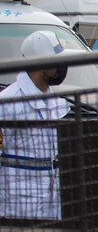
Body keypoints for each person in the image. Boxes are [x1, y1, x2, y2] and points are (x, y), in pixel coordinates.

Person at [0, 30, 70, 219]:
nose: (63, 67)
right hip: (17, 210)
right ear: (40, 64)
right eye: (57, 62)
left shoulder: (57, 101)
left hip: (53, 204)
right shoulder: (7, 103)